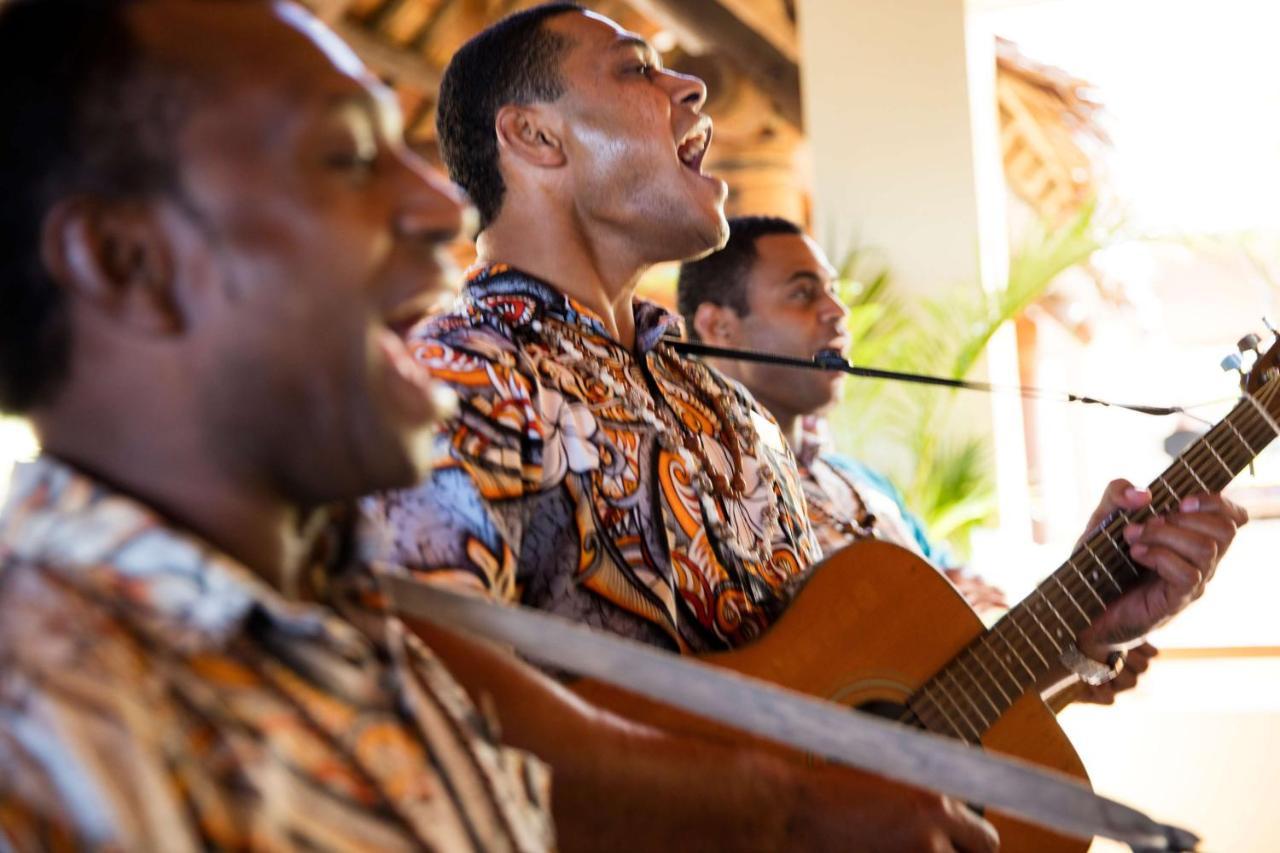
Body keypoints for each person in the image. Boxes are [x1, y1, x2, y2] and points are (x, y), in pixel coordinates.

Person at [0, 1, 1005, 851]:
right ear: (124, 261)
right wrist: (789, 811)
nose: (442, 211)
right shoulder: (47, 723)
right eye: (346, 157)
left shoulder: (359, 610)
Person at [365, 0, 1240, 815]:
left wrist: (1080, 632)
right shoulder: (456, 383)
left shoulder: (731, 414)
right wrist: (784, 818)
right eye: (636, 70)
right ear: (534, 137)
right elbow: (410, 710)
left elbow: (864, 725)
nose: (691, 85)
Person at [676, 215, 1161, 703]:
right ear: (718, 326)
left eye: (834, 291)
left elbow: (977, 619)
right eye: (803, 294)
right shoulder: (687, 485)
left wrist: (1080, 636)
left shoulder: (862, 485)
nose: (838, 310)